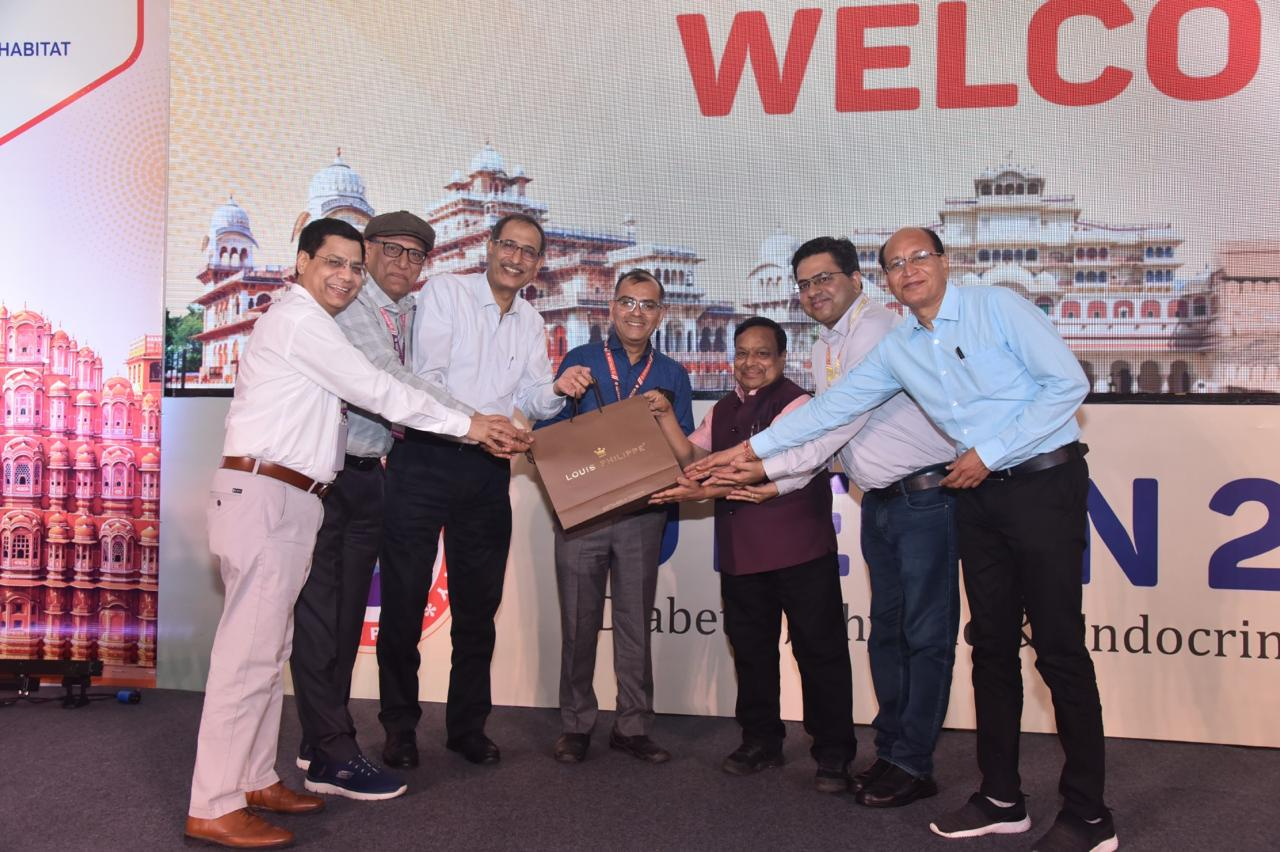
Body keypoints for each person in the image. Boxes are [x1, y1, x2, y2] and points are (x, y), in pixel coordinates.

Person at [693, 228, 1114, 852]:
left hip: (1041, 482)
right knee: (990, 648)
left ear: (943, 262)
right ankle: (1002, 797)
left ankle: (1090, 815)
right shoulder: (901, 347)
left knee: (1057, 649)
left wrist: (989, 451)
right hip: (976, 494)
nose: (908, 270)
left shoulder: (997, 305)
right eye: (896, 263)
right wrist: (746, 452)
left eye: (919, 258)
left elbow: (1067, 385)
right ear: (885, 278)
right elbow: (829, 413)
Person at [186, 217, 523, 849]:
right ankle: (213, 804)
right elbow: (378, 388)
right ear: (301, 263)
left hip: (296, 496)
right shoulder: (301, 320)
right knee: (247, 659)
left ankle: (254, 779)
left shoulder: (315, 320)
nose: (345, 276)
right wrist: (472, 425)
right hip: (266, 493)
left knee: (269, 654)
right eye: (332, 263)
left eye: (353, 267)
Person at [703, 236, 959, 808]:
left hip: (924, 498)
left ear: (855, 279)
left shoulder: (877, 330)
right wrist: (772, 477)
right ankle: (892, 753)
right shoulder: (825, 347)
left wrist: (761, 469)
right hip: (881, 502)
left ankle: (912, 763)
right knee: (889, 637)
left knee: (923, 638)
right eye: (805, 283)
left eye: (825, 278)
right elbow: (828, 443)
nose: (814, 291)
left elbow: (837, 423)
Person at [288, 211, 516, 801]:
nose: (402, 263)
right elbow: (386, 377)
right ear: (366, 252)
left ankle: (327, 744)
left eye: (415, 255)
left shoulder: (417, 311)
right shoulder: (348, 308)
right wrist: (475, 422)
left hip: (376, 475)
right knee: (335, 621)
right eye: (390, 250)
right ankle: (349, 740)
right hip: (333, 475)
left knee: (348, 620)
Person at [377, 212, 593, 769]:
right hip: (424, 460)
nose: (516, 259)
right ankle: (399, 727)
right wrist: (480, 425)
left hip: (487, 470)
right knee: (403, 600)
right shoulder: (445, 292)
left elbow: (532, 398)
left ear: (538, 264)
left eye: (529, 252)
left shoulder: (531, 320)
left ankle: (467, 727)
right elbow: (427, 379)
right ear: (490, 247)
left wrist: (558, 389)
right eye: (509, 246)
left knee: (479, 608)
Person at [649, 317, 857, 794]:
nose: (750, 362)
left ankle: (833, 753)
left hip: (800, 550)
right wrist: (664, 418)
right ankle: (761, 740)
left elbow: (755, 468)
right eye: (742, 353)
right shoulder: (722, 408)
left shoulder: (800, 404)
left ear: (783, 359)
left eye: (762, 353)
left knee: (819, 652)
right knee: (751, 652)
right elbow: (694, 460)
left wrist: (694, 491)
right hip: (741, 552)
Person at [535, 268, 694, 765]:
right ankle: (576, 724)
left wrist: (663, 414)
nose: (636, 313)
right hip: (583, 513)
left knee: (634, 623)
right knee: (578, 623)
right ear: (611, 308)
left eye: (647, 305)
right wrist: (560, 390)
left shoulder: (673, 374)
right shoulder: (581, 360)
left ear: (660, 314)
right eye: (627, 302)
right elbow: (546, 432)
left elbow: (686, 452)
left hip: (643, 513)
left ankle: (632, 725)